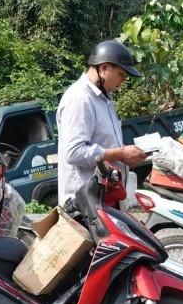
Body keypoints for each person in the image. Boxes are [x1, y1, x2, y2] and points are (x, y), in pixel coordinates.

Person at [56, 40, 147, 207]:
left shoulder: (104, 99)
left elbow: (105, 144)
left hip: (103, 199)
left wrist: (126, 155)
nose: (123, 81)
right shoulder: (80, 99)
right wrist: (121, 154)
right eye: (121, 74)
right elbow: (74, 152)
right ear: (103, 68)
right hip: (85, 205)